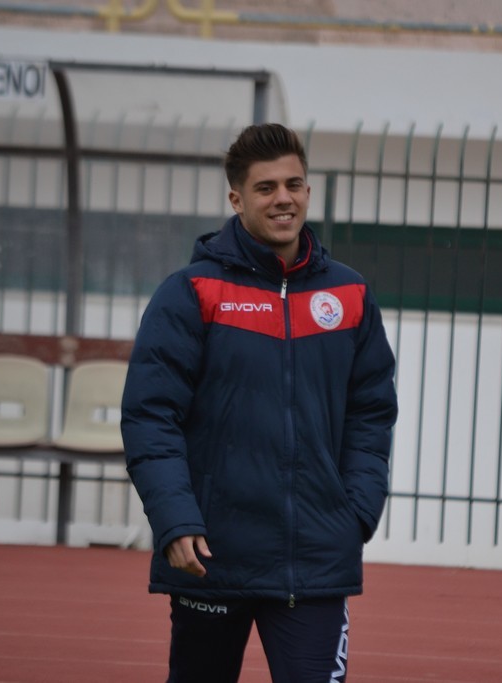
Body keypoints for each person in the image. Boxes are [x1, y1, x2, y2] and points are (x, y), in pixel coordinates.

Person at [121, 122, 398, 683]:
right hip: (211, 556)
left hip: (315, 559)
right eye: (266, 188)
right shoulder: (190, 292)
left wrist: (356, 513)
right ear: (237, 199)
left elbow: (371, 411)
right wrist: (174, 520)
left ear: (308, 191)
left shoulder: (349, 294)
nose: (283, 199)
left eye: (293, 185)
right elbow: (151, 417)